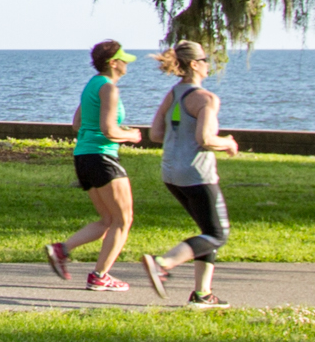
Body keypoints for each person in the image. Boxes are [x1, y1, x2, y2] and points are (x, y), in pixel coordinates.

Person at [139, 41, 239, 304]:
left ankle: (202, 294)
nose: (209, 65)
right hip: (197, 175)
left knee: (207, 233)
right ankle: (162, 263)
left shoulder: (173, 95)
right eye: (205, 60)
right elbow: (206, 138)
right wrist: (228, 142)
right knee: (218, 235)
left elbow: (156, 134)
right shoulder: (206, 99)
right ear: (195, 64)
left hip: (171, 174)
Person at [44, 39, 142, 293]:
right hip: (102, 157)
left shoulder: (91, 85)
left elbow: (77, 123)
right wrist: (131, 135)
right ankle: (100, 276)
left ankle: (61, 250)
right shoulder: (109, 88)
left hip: (84, 157)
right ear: (113, 63)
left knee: (108, 219)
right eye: (124, 60)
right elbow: (109, 130)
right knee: (123, 219)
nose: (127, 64)